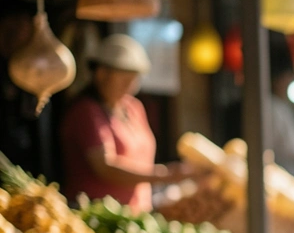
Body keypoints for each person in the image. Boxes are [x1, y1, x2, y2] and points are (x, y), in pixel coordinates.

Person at [60, 34, 195, 211]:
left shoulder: (134, 107)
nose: (130, 86)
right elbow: (105, 168)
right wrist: (164, 175)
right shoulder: (85, 111)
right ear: (101, 74)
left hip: (137, 212)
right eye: (124, 78)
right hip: (96, 214)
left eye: (134, 79)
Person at [269, 66, 294, 177]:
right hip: (280, 176)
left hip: (290, 177)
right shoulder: (272, 107)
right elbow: (293, 151)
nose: (290, 81)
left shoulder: (283, 106)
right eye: (287, 77)